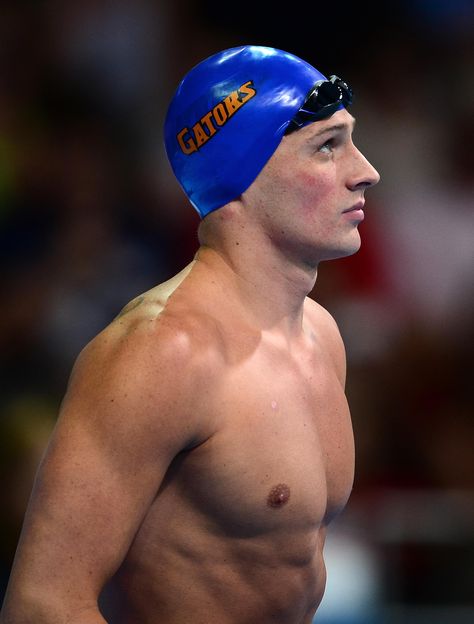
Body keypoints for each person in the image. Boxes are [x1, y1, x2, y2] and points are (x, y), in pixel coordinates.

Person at [0, 45, 379, 623]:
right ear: (241, 173)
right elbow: (42, 604)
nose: (365, 171)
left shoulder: (320, 335)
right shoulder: (162, 353)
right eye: (327, 147)